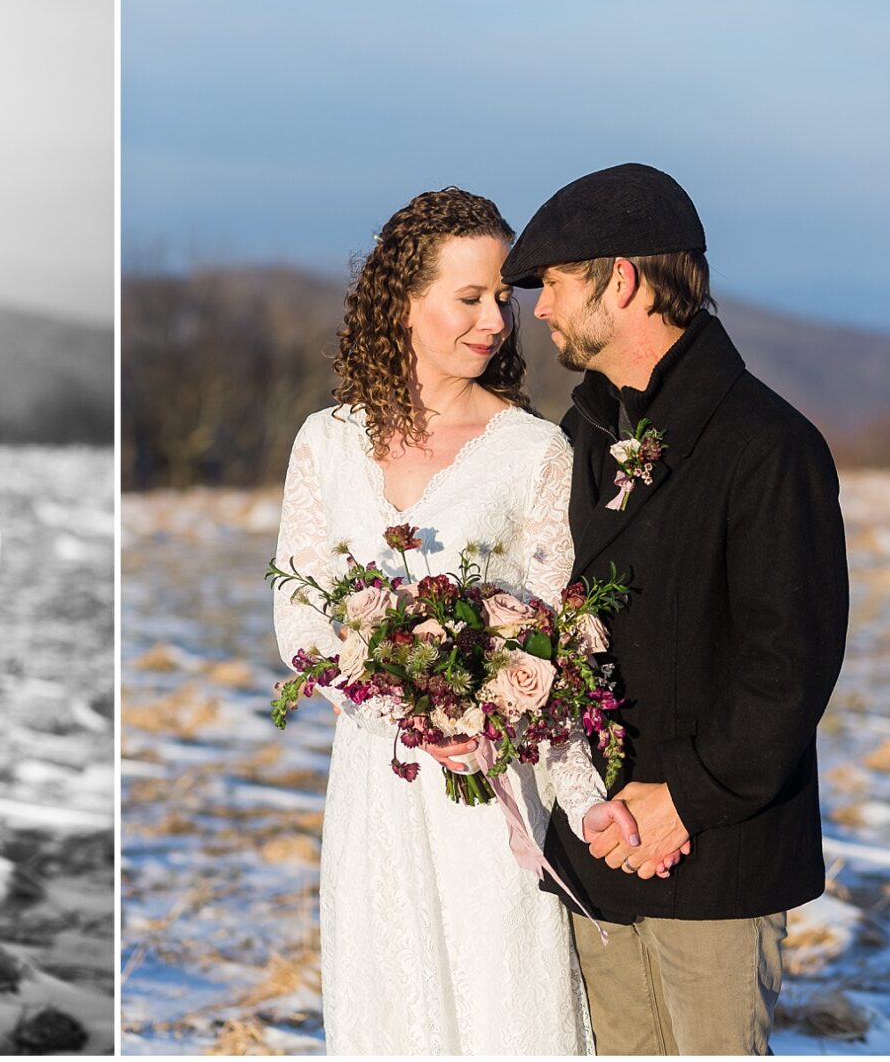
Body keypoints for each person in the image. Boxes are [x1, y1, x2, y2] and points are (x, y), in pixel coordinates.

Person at [272, 187, 676, 1055]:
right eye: (470, 297)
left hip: (495, 792)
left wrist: (582, 798)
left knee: (507, 1011)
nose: (496, 318)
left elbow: (559, 646)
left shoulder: (536, 452)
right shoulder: (325, 443)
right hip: (380, 790)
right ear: (404, 303)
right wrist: (407, 711)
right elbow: (301, 619)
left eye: (505, 296)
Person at [503, 163, 848, 1055]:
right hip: (597, 846)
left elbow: (791, 668)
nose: (537, 310)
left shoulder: (771, 447)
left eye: (555, 285)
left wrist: (681, 802)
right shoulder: (575, 439)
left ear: (620, 281)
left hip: (717, 854)